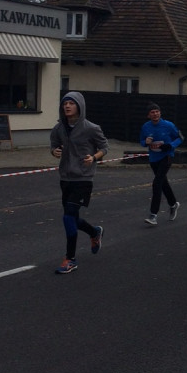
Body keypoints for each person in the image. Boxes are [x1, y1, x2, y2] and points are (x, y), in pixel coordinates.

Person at [49, 91, 108, 275]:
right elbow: (53, 145)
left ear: (79, 106)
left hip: (83, 178)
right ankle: (94, 232)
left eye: (71, 103)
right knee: (72, 218)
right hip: (65, 178)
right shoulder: (59, 128)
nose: (67, 106)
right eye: (65, 103)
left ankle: (70, 259)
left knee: (68, 217)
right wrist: (54, 151)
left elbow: (104, 147)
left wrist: (94, 157)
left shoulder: (91, 128)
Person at [140, 103, 182, 225]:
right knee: (163, 183)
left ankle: (153, 215)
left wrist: (170, 145)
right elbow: (141, 141)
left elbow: (180, 138)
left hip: (166, 156)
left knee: (157, 183)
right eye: (152, 112)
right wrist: (145, 142)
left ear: (160, 112)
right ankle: (173, 204)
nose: (155, 114)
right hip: (154, 158)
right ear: (148, 115)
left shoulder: (168, 125)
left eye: (157, 111)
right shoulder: (146, 127)